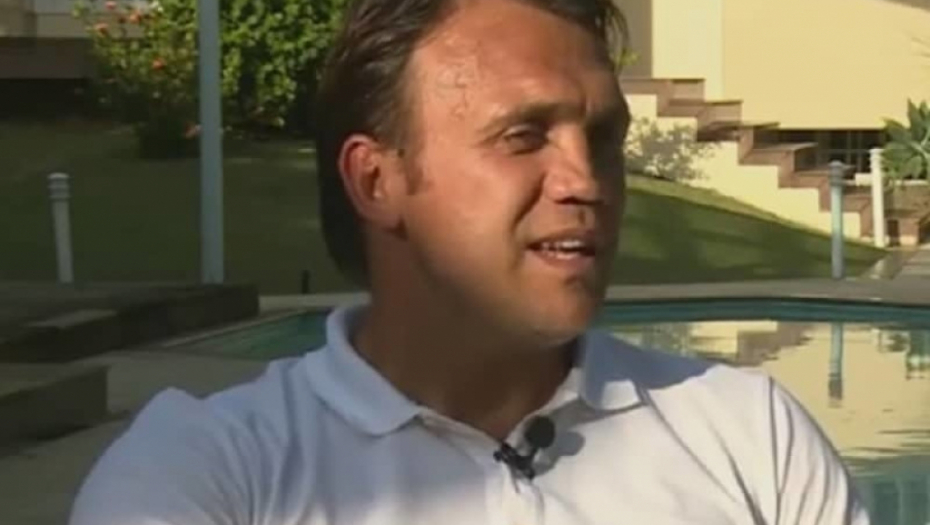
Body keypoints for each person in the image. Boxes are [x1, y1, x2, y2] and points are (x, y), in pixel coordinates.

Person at [69, 0, 871, 523]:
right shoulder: (204, 472)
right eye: (523, 136)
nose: (586, 179)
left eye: (602, 138)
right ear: (376, 180)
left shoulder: (750, 435)